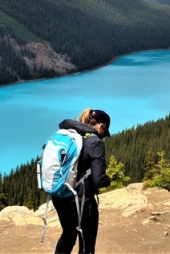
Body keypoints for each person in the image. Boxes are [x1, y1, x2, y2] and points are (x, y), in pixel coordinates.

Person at [52, 108, 112, 254]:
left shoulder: (68, 135)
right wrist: (108, 180)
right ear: (100, 126)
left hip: (60, 196)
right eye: (105, 131)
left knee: (68, 235)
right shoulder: (95, 142)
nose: (103, 135)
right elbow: (99, 179)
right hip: (83, 201)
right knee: (87, 242)